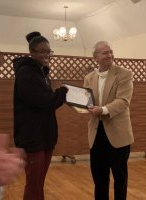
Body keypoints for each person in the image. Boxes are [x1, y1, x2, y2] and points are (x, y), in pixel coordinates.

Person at [13, 31, 68, 200]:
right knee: (34, 184)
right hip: (33, 139)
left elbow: (46, 102)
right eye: (42, 51)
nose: (47, 55)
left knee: (39, 182)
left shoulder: (42, 73)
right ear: (32, 53)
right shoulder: (26, 73)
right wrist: (63, 92)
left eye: (49, 51)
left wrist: (59, 94)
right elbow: (44, 101)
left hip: (45, 137)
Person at [83, 41, 134, 200]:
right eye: (105, 53)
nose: (110, 55)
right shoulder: (89, 77)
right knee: (99, 179)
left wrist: (103, 110)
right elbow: (87, 102)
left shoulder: (124, 73)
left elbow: (123, 101)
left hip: (118, 135)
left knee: (120, 178)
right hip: (96, 134)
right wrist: (82, 105)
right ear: (95, 57)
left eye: (111, 52)